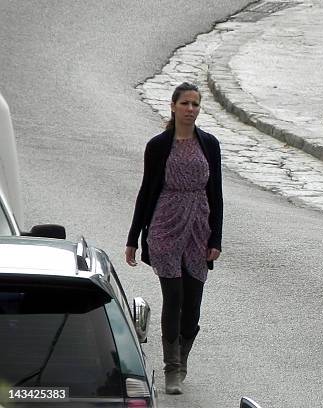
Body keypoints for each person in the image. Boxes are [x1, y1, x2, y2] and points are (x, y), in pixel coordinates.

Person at [125, 82, 223, 394]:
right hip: (164, 224)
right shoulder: (157, 145)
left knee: (193, 303)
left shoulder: (209, 144)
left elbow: (216, 194)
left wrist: (216, 238)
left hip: (198, 226)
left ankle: (182, 359)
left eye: (195, 104)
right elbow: (146, 192)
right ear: (173, 106)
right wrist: (133, 238)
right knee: (174, 296)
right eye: (185, 104)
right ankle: (172, 369)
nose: (191, 109)